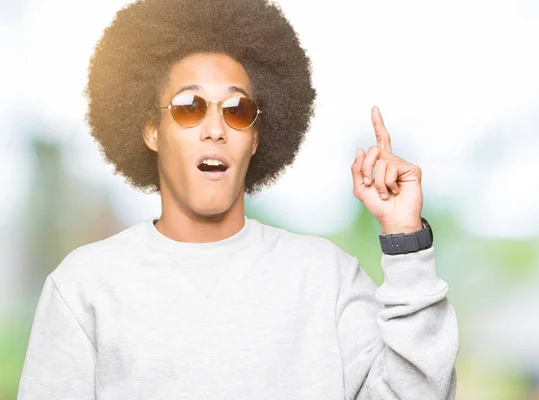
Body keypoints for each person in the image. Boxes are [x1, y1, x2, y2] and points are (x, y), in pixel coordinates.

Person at [17, 0, 459, 399]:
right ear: (152, 130)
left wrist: (404, 238)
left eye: (237, 110)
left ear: (255, 137)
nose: (215, 128)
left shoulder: (327, 278)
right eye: (190, 106)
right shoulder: (85, 286)